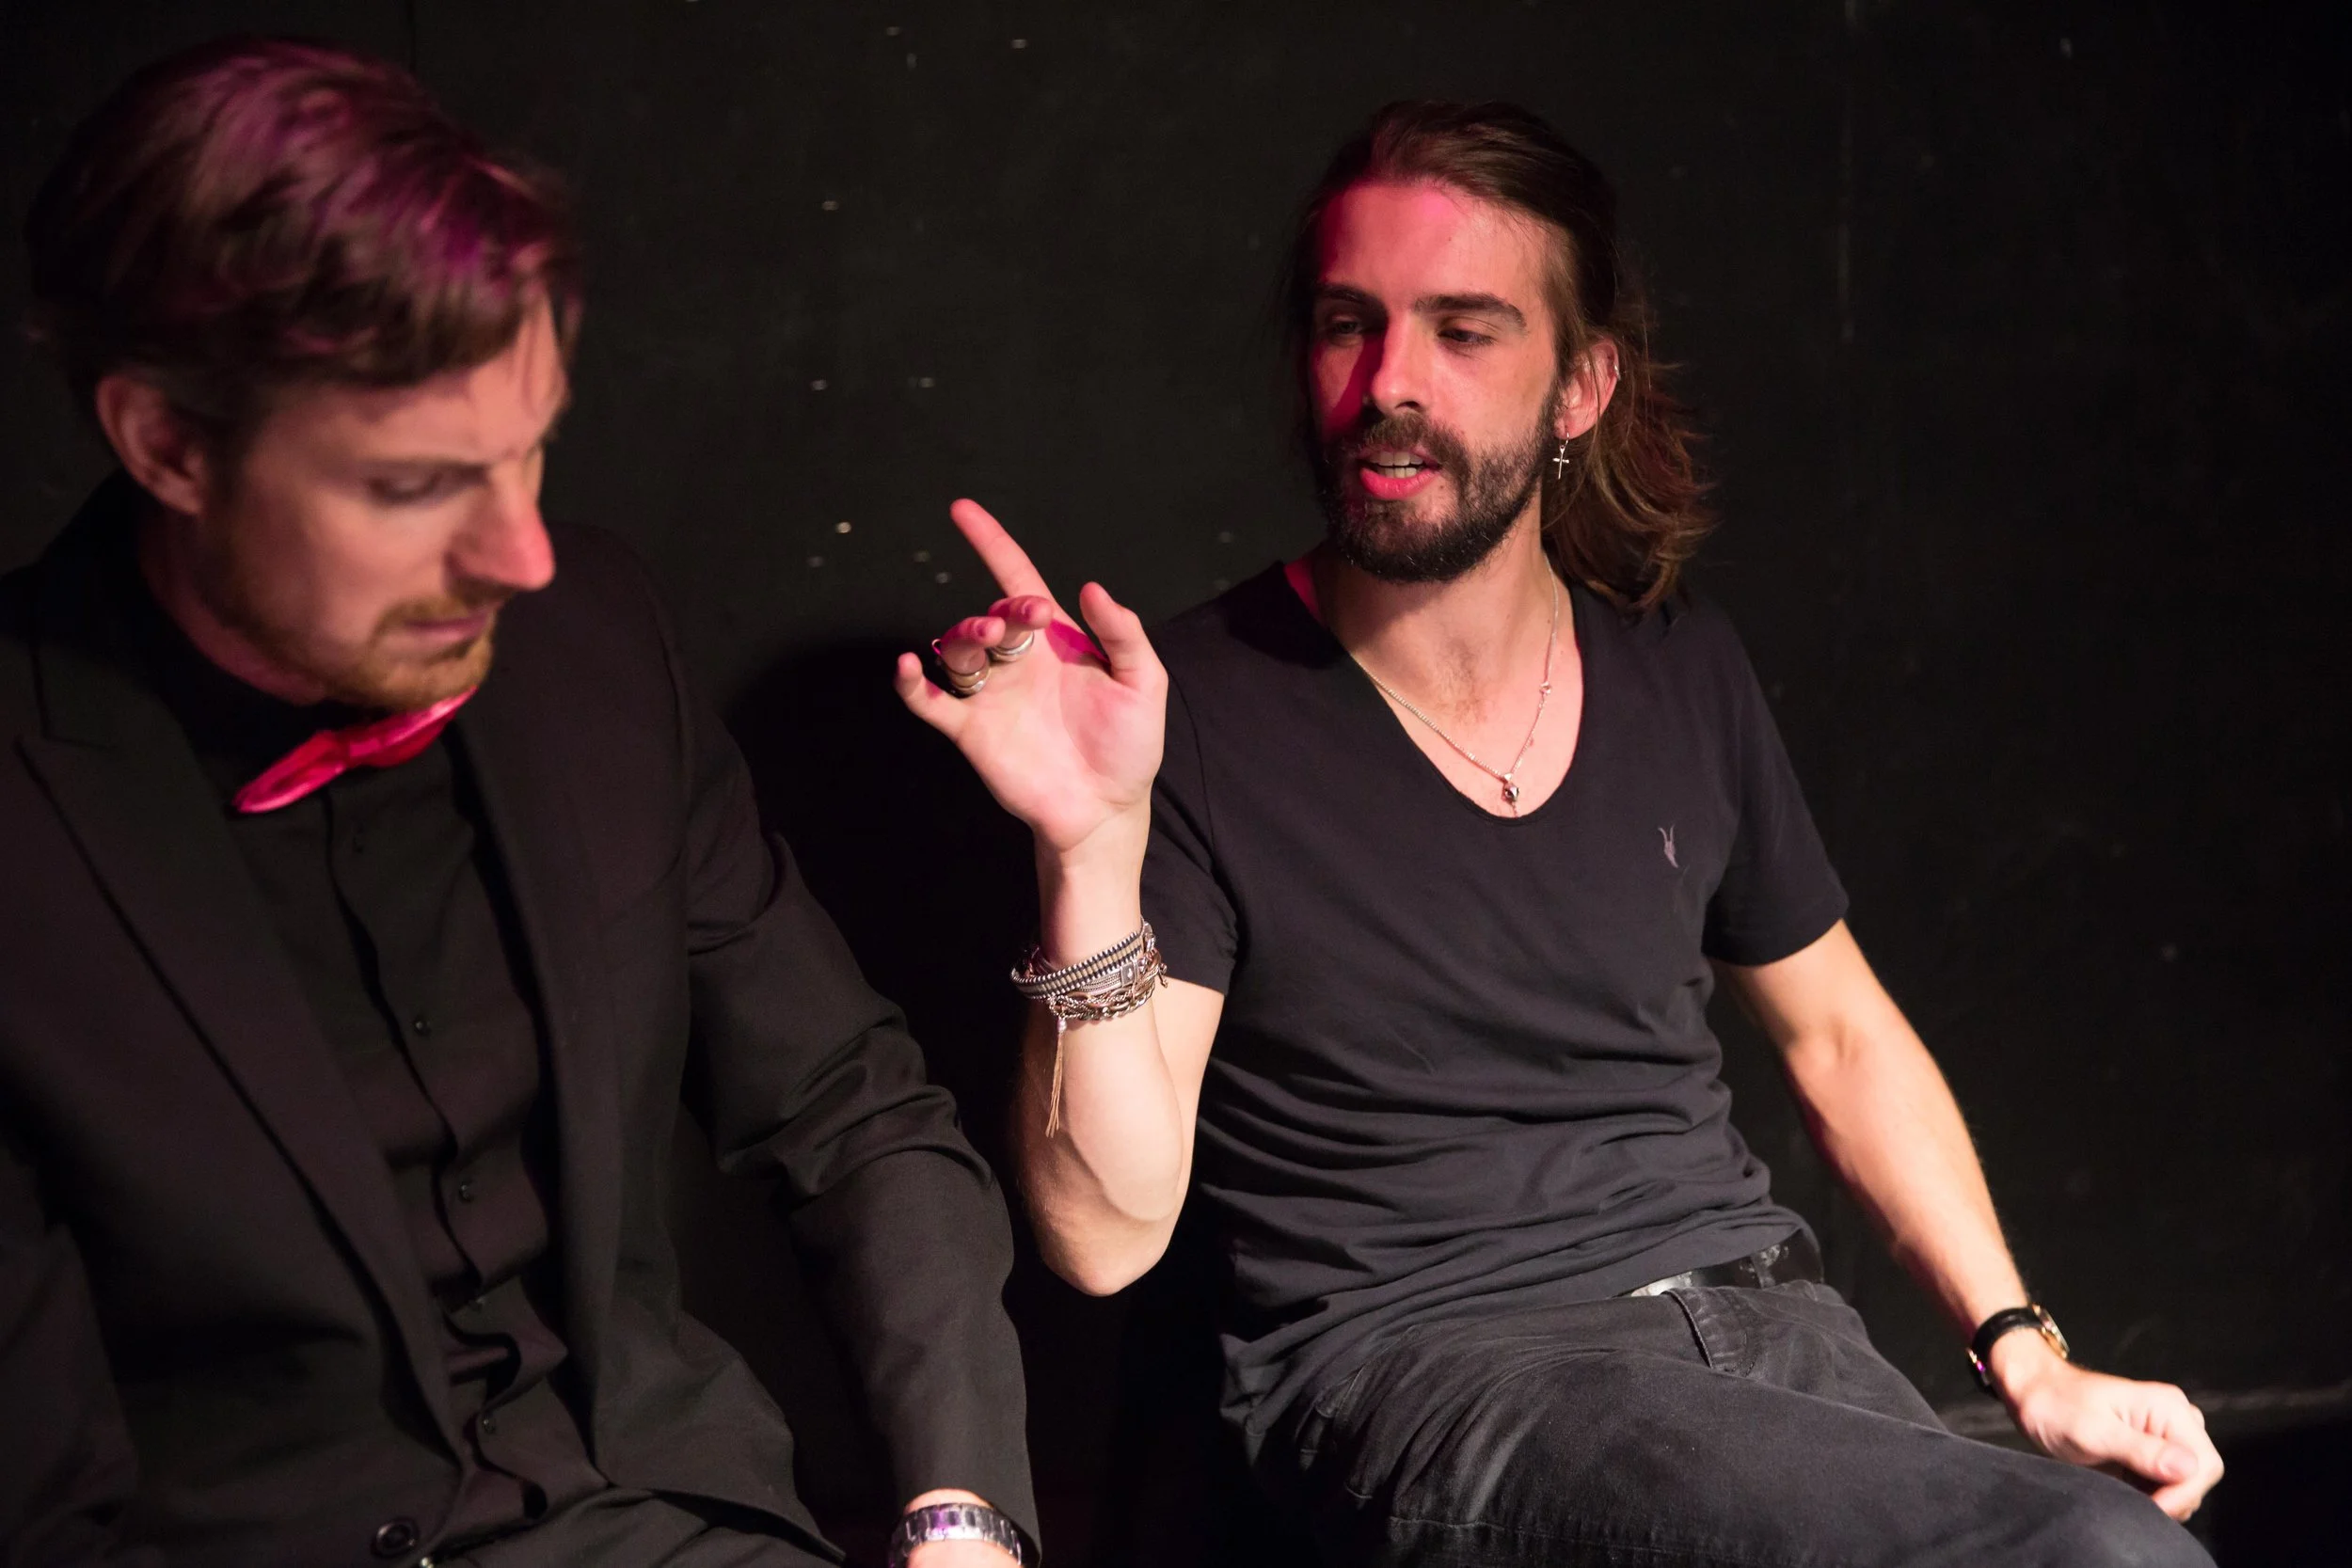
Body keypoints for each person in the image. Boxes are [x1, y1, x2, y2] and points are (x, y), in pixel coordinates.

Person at [899, 100, 2222, 1566]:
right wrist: (1087, 846)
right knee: (2096, 1556)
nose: (1388, 383)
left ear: (1580, 386)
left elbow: (1841, 1036)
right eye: (1348, 325)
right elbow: (1104, 1236)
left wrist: (2026, 1351)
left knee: (2101, 1536)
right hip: (1449, 1371)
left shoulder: (1677, 663)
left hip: (1770, 1333)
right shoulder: (1194, 708)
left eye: (1462, 331)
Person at [0, 38, 1035, 1568]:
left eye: (531, 450)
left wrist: (963, 1515)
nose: (522, 555)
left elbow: (852, 1109)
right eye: (418, 485)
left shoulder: (590, 640)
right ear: (167, 443)